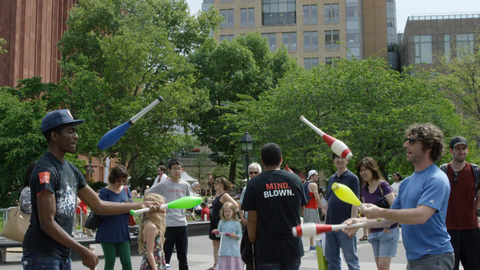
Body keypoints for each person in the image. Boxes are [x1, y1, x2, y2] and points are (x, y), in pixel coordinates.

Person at [22, 109, 161, 270]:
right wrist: (82, 250)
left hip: (61, 254)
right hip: (42, 255)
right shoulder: (45, 170)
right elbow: (47, 222)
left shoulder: (72, 170)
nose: (76, 136)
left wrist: (139, 205)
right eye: (71, 131)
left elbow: (99, 205)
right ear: (54, 136)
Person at [344, 123, 454, 270]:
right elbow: (389, 219)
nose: (405, 145)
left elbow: (421, 216)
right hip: (414, 259)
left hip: (435, 258)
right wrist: (359, 222)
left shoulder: (436, 179)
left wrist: (379, 211)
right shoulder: (407, 182)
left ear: (429, 146)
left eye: (412, 141)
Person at [242, 142, 307, 270]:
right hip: (292, 247)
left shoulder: (254, 183)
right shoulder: (295, 180)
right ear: (281, 160)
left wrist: (253, 242)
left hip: (267, 249)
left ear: (262, 161)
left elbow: (252, 220)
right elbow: (301, 209)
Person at [440, 136, 480, 270]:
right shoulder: (443, 172)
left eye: (463, 148)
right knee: (450, 267)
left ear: (467, 150)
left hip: (471, 229)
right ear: (451, 151)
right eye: (458, 149)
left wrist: (473, 210)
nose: (461, 151)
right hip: (448, 229)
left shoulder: (475, 171)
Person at [147, 159, 193, 270]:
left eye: (179, 168)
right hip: (168, 224)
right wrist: (158, 206)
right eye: (174, 169)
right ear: (169, 170)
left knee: (183, 257)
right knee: (165, 256)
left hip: (182, 224)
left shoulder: (185, 185)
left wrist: (189, 209)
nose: (177, 171)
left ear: (182, 170)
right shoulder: (164, 184)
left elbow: (191, 200)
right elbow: (148, 194)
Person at [357, 157, 399, 270]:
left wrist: (387, 227)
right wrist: (369, 230)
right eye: (361, 170)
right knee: (379, 266)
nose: (363, 173)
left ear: (373, 169)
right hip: (374, 231)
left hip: (387, 230)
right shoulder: (364, 188)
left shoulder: (383, 185)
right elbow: (367, 211)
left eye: (365, 169)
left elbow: (395, 206)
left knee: (383, 267)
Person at [324, 153, 361, 270]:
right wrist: (325, 224)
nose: (339, 160)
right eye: (336, 158)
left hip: (345, 225)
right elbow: (328, 202)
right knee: (332, 260)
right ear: (333, 160)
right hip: (331, 225)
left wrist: (351, 223)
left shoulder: (352, 178)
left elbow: (355, 202)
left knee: (351, 260)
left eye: (342, 158)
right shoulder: (331, 179)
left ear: (347, 160)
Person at [96, 165, 135, 270]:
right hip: (107, 231)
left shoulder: (126, 190)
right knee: (110, 260)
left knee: (127, 262)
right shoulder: (105, 191)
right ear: (113, 179)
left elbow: (131, 208)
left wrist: (130, 209)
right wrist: (119, 207)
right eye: (118, 180)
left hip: (122, 231)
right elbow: (101, 212)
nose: (121, 183)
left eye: (124, 180)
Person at [207, 177, 238, 270]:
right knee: (215, 242)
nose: (214, 185)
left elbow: (235, 205)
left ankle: (222, 263)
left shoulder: (225, 195)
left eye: (216, 183)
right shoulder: (218, 195)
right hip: (214, 220)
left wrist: (227, 213)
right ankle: (216, 263)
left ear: (221, 185)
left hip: (220, 220)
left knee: (221, 243)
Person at [237, 162, 262, 270]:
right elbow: (240, 205)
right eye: (251, 172)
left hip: (260, 222)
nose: (253, 174)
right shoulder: (246, 188)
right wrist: (242, 218)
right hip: (248, 222)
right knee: (249, 250)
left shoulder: (263, 186)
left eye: (255, 172)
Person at [138, 193, 167, 270]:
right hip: (151, 266)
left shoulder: (155, 225)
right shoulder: (151, 226)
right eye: (161, 206)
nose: (165, 209)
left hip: (157, 263)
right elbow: (149, 252)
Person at [211, 202, 243, 270]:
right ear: (223, 213)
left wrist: (235, 236)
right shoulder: (221, 222)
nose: (227, 213)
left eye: (229, 211)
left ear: (233, 212)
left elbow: (240, 234)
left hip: (234, 250)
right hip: (224, 250)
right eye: (225, 211)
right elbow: (219, 235)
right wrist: (216, 232)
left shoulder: (236, 223)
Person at [304, 169, 323, 251]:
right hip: (312, 207)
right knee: (315, 226)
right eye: (316, 175)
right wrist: (322, 207)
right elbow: (317, 197)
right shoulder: (313, 185)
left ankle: (312, 244)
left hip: (305, 208)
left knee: (310, 227)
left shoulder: (305, 183)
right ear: (312, 176)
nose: (317, 177)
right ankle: (315, 244)